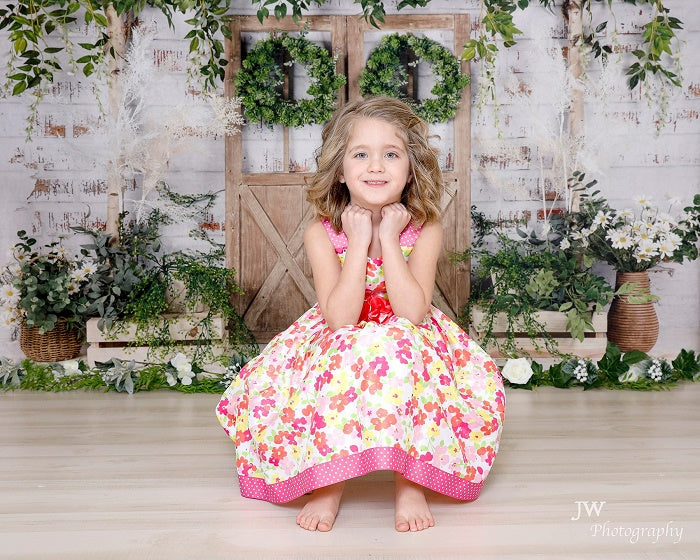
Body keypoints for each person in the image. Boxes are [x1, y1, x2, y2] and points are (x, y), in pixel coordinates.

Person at [216, 96, 505, 533]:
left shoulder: (425, 228)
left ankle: (411, 480)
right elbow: (340, 319)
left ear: (411, 169)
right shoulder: (322, 231)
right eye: (360, 154)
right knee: (348, 347)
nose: (376, 166)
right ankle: (327, 483)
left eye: (391, 154)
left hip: (410, 332)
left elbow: (412, 311)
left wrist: (388, 238)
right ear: (340, 169)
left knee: (399, 343)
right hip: (340, 331)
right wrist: (356, 241)